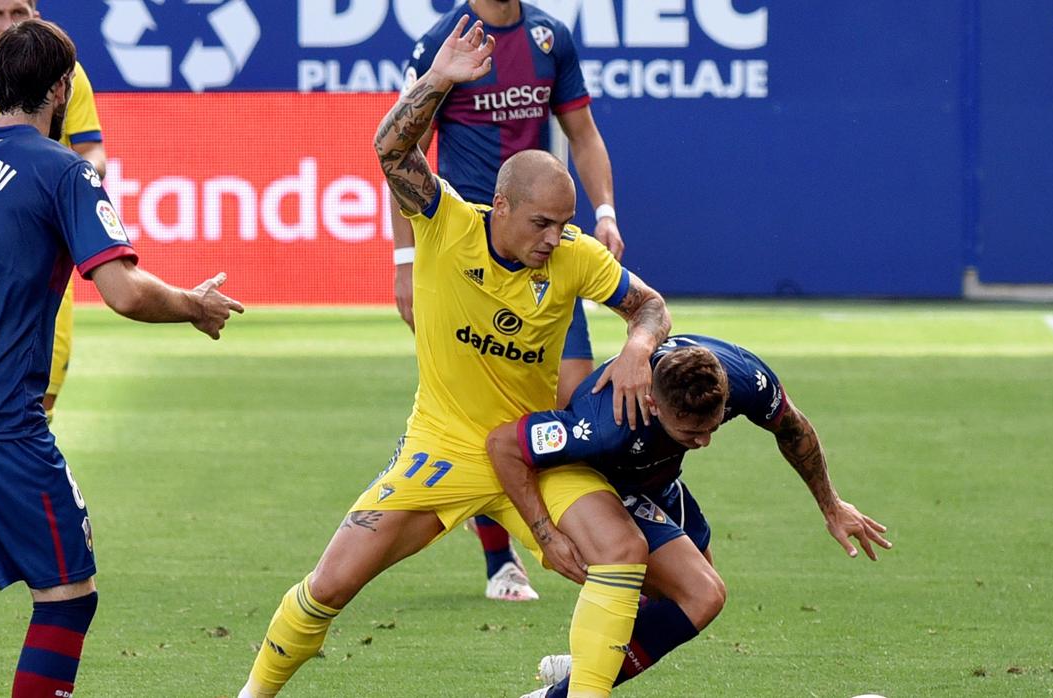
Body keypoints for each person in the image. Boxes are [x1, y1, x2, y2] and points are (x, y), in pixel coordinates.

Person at [239, 17, 670, 698]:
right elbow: (388, 152)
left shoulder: (575, 257)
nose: (555, 239)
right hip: (441, 447)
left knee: (623, 554)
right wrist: (439, 80)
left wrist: (640, 346)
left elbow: (649, 305)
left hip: (534, 447)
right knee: (328, 586)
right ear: (499, 207)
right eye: (541, 224)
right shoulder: (446, 223)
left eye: (564, 224)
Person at [0, 19, 243, 696]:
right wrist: (192, 305)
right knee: (67, 593)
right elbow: (122, 291)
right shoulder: (65, 174)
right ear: (63, 87)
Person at [485, 335, 893, 697]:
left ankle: (590, 665)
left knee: (686, 598)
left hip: (658, 480)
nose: (704, 442)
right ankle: (565, 691)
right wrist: (545, 535)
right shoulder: (603, 424)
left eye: (712, 428)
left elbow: (793, 428)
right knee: (700, 594)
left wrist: (832, 506)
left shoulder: (743, 377)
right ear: (651, 403)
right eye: (690, 434)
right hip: (602, 481)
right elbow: (504, 444)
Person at [392, 0, 625, 601]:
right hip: (467, 248)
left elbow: (582, 132)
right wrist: (404, 261)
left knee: (569, 398)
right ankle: (503, 560)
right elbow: (403, 149)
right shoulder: (443, 41)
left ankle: (578, 526)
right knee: (488, 411)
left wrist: (604, 212)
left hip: (539, 246)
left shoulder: (549, 37)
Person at [0, 0, 109, 578]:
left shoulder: (69, 88)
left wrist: (75, 186)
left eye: (20, 9)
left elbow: (90, 148)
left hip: (30, 256)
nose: (10, 20)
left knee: (43, 381)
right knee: (68, 592)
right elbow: (125, 292)